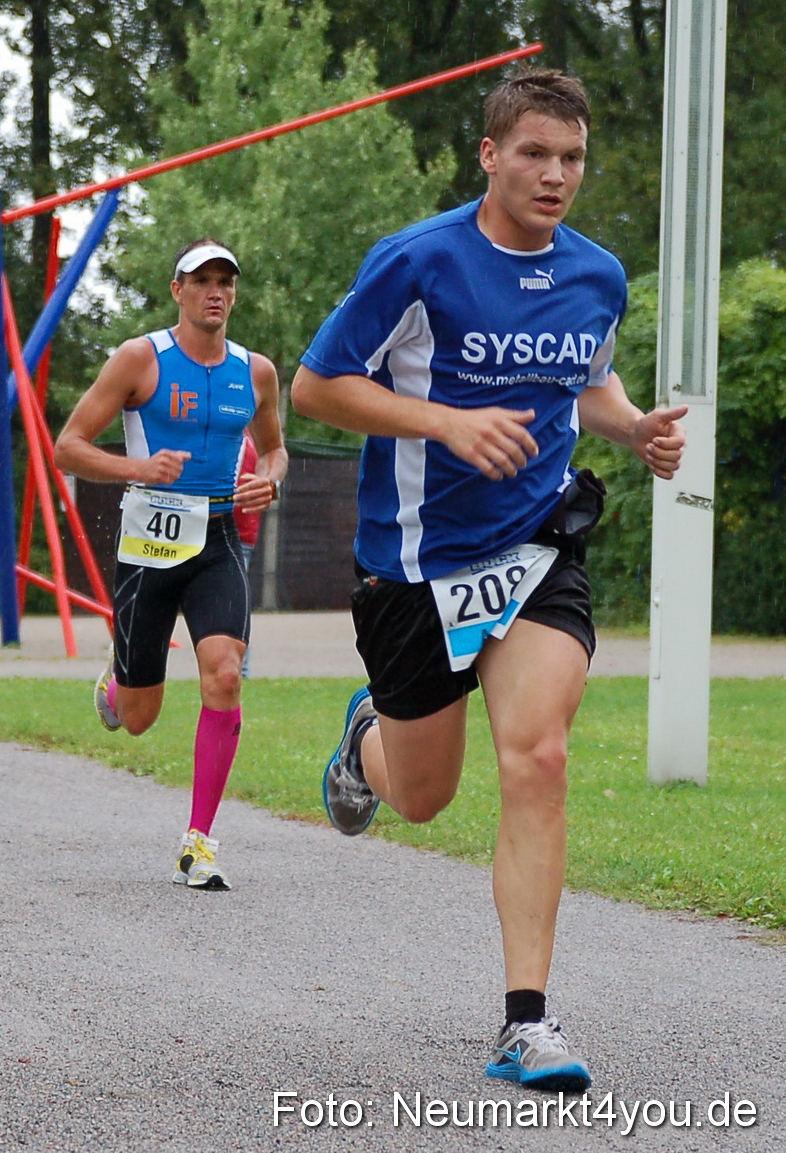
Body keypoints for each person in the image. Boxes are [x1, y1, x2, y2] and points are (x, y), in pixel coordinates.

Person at [290, 70, 688, 1095]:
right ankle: (364, 739)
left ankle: (527, 1020)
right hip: (416, 565)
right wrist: (445, 422)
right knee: (423, 796)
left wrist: (632, 422)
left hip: (535, 546)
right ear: (490, 155)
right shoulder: (418, 262)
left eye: (572, 158)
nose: (555, 175)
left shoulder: (596, 274)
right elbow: (315, 384)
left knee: (539, 753)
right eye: (535, 154)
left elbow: (585, 381)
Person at [55, 238, 286, 892]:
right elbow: (65, 448)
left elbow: (275, 451)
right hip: (150, 541)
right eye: (201, 280)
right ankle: (113, 684)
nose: (215, 292)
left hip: (214, 538)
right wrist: (137, 469)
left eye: (225, 282)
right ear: (176, 289)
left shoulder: (257, 372)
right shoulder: (139, 359)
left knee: (223, 673)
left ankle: (199, 840)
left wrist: (267, 478)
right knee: (137, 716)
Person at [233, 433, 263, 677]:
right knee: (235, 603)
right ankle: (240, 668)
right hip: (242, 532)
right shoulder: (251, 441)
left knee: (233, 604)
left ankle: (240, 668)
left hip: (234, 533)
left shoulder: (242, 441)